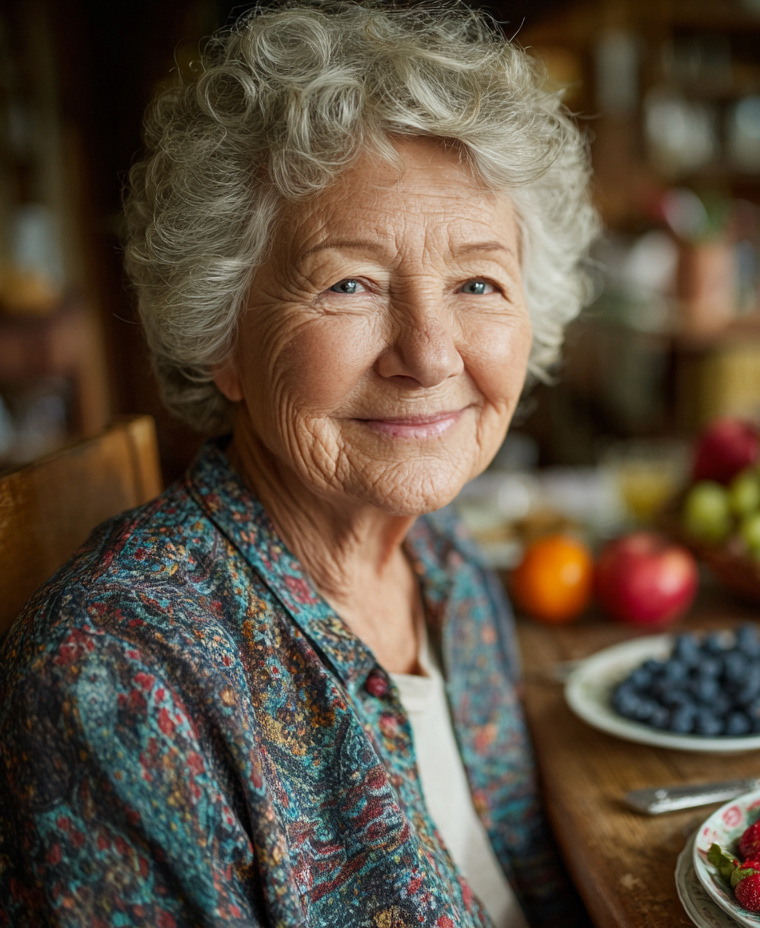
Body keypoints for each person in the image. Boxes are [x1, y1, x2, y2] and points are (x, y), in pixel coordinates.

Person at [0, 3, 599, 926]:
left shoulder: (448, 569)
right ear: (222, 334)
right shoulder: (115, 675)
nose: (430, 355)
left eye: (479, 282)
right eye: (349, 283)